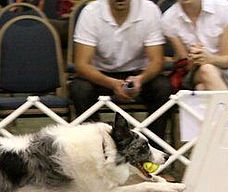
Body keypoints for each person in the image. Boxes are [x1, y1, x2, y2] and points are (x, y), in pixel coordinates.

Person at [69, 0, 172, 142]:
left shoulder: (149, 10)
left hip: (139, 73)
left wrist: (140, 79)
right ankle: (96, 146)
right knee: (79, 89)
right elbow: (81, 65)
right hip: (100, 75)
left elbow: (157, 61)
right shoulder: (90, 12)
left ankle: (153, 149)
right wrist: (112, 84)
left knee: (163, 87)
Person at [161, 0, 228, 92]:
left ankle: (223, 104)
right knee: (206, 70)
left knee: (202, 87)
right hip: (196, 72)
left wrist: (209, 59)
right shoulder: (168, 19)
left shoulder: (222, 6)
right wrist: (194, 59)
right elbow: (185, 65)